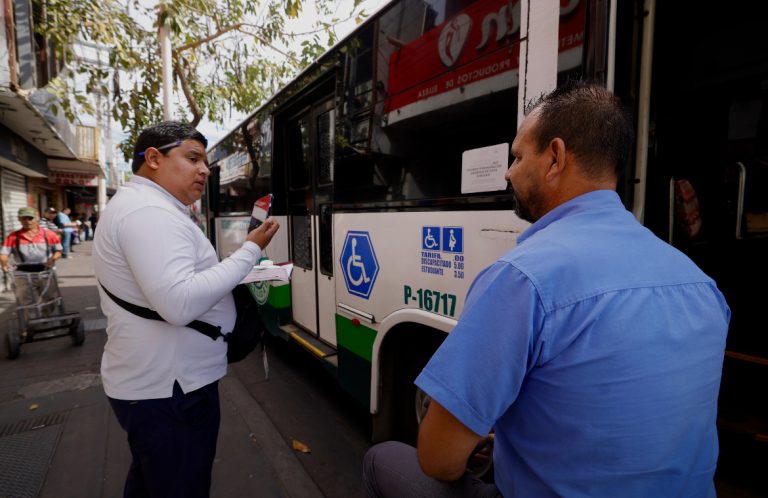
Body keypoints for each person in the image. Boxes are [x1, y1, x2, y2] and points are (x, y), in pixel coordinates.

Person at [362, 83, 731, 498]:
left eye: (518, 157)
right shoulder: (701, 283)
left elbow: (439, 459)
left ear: (554, 157)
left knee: (383, 460)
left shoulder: (521, 279)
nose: (507, 171)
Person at [93, 121, 279, 498]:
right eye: (192, 158)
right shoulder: (149, 213)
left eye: (205, 161)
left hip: (160, 386)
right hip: (172, 392)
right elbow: (178, 303)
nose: (205, 170)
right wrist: (250, 251)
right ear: (154, 159)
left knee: (151, 482)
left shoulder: (149, 207)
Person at [1, 207, 62, 272]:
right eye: (24, 218)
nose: (27, 221)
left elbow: (58, 251)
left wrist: (52, 259)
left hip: (46, 272)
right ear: (19, 219)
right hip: (22, 273)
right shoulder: (13, 237)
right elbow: (4, 254)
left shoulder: (49, 234)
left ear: (37, 218)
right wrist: (4, 263)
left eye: (30, 218)